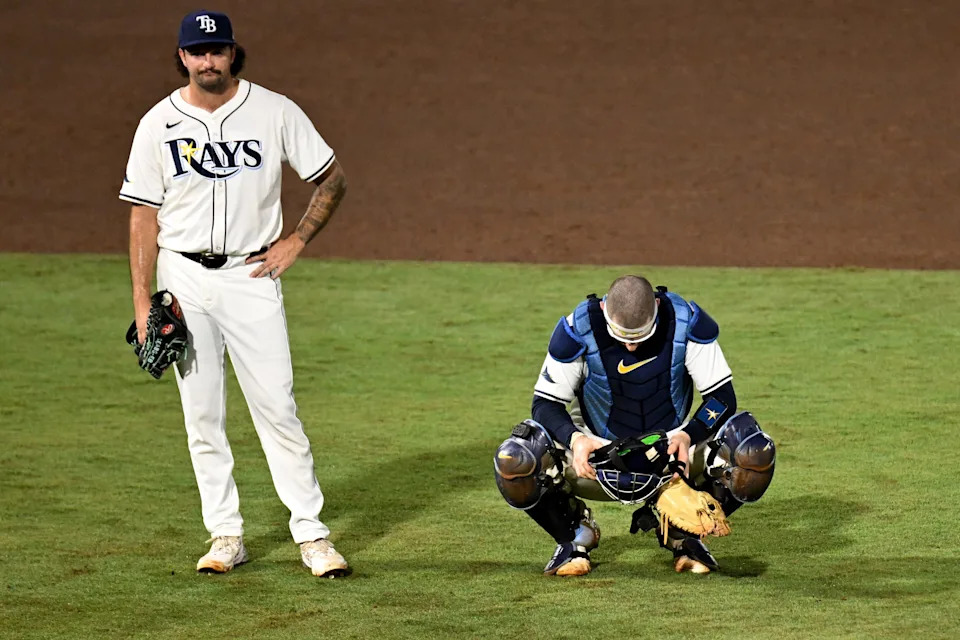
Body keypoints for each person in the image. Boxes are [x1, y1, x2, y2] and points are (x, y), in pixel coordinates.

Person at [120, 10, 349, 578]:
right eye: (197, 52)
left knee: (278, 408)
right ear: (182, 57)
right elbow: (143, 217)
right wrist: (144, 302)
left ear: (232, 53)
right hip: (185, 280)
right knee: (202, 415)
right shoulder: (156, 124)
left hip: (252, 279)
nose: (208, 60)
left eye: (217, 50)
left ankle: (312, 536)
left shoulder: (274, 111)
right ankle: (225, 534)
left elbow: (331, 177)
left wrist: (296, 240)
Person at [494, 275, 776, 576]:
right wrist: (575, 439)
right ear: (604, 310)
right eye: (622, 337)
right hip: (594, 459)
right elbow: (544, 404)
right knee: (515, 458)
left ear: (656, 306)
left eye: (639, 337)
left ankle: (684, 535)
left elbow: (722, 398)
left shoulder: (686, 322)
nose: (630, 347)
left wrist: (687, 435)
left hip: (672, 459)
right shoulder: (579, 329)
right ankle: (574, 533)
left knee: (753, 450)